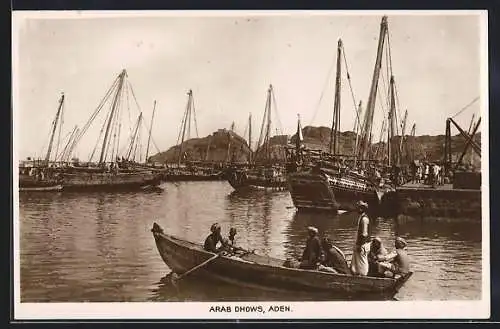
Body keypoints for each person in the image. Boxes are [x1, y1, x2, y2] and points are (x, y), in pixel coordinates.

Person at [350, 201, 371, 276]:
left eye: (358, 208)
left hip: (363, 244)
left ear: (362, 209)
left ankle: (363, 276)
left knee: (362, 261)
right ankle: (356, 273)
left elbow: (364, 234)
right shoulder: (362, 217)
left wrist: (360, 245)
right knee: (357, 260)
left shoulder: (364, 219)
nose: (357, 209)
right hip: (361, 243)